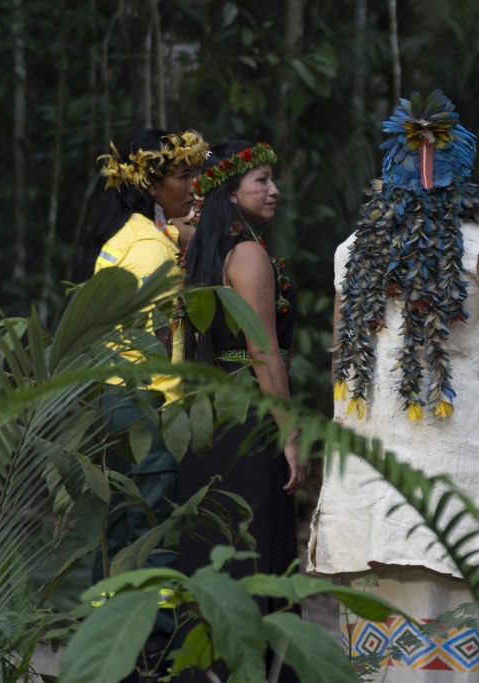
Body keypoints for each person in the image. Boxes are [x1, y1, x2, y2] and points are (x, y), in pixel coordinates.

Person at [307, 92, 479, 682]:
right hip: (449, 491)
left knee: (380, 656)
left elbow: (340, 368)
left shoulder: (351, 254)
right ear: (459, 181)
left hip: (370, 486)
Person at [75, 127, 208, 678]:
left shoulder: (123, 236)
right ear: (151, 181)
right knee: (153, 529)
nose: (194, 184)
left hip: (113, 396)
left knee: (118, 525)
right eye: (183, 175)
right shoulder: (155, 247)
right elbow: (157, 331)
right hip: (149, 400)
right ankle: (150, 653)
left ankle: (107, 645)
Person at [177, 140, 308, 681]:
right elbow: (263, 349)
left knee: (214, 548)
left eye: (272, 179)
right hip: (249, 416)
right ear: (231, 193)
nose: (273, 189)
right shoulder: (247, 254)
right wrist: (291, 431)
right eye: (260, 180)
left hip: (205, 415)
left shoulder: (205, 251)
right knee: (256, 546)